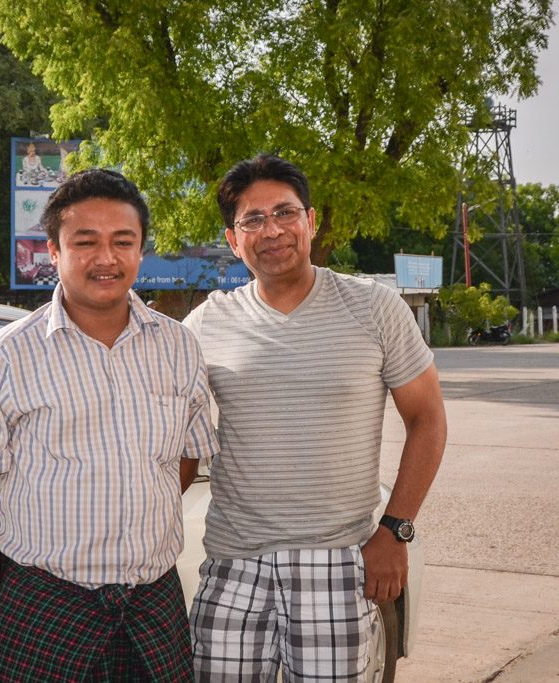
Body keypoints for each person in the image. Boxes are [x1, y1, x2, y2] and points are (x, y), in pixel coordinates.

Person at [0, 168, 218, 682]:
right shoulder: (3, 357)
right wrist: (4, 545)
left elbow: (183, 459)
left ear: (141, 250)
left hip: (153, 601)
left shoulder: (180, 347)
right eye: (85, 241)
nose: (106, 259)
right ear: (54, 251)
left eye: (123, 241)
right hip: (47, 602)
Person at [184, 154, 447, 680]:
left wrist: (395, 531)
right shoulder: (206, 323)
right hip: (232, 565)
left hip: (341, 563)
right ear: (233, 241)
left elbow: (428, 420)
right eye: (252, 220)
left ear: (310, 220)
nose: (272, 230)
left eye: (285, 212)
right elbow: (168, 434)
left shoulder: (374, 307)